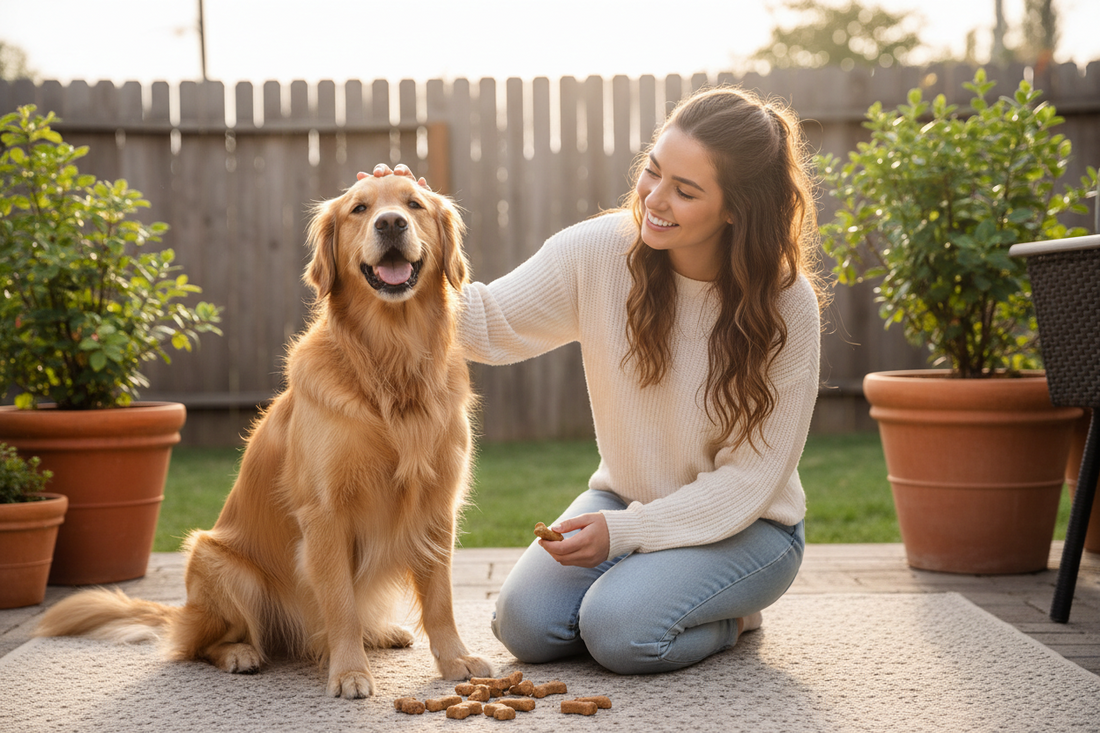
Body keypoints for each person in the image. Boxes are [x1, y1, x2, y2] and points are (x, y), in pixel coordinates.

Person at [363, 85, 825, 675]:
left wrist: (627, 533)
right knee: (525, 626)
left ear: (736, 208)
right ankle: (660, 590)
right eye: (653, 173)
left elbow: (750, 481)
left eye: (685, 191)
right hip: (624, 497)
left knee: (620, 631)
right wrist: (411, 223)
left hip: (750, 527)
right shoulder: (599, 253)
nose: (655, 199)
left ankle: (730, 617)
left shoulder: (786, 305)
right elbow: (481, 325)